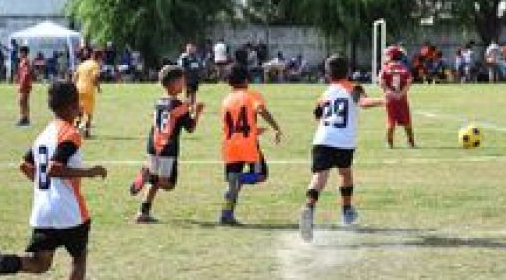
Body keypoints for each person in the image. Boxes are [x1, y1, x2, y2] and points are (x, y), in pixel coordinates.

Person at [0, 80, 109, 280]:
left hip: (43, 210)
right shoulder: (70, 133)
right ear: (71, 105)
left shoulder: (44, 133)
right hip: (69, 212)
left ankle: (0, 263)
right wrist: (90, 172)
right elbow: (56, 168)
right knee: (79, 259)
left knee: (40, 263)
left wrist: (43, 185)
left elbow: (25, 164)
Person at [298, 55, 385, 242]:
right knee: (345, 174)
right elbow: (362, 103)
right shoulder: (354, 88)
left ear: (328, 74)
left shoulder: (326, 92)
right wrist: (382, 100)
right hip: (343, 141)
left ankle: (309, 207)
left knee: (319, 177)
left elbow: (317, 114)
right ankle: (346, 210)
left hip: (322, 139)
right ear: (348, 71)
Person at [129, 66, 205, 223]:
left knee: (154, 182)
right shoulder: (177, 105)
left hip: (153, 144)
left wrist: (187, 106)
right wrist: (197, 112)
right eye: (182, 81)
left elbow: (174, 113)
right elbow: (190, 127)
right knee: (168, 183)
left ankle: (143, 212)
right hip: (167, 147)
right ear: (174, 83)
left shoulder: (159, 101)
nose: (184, 83)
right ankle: (148, 176)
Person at [218, 65, 283, 225]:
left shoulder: (226, 100)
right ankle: (239, 179)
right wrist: (276, 127)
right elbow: (260, 111)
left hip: (230, 145)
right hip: (248, 146)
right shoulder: (251, 95)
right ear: (246, 79)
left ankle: (226, 214)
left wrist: (254, 129)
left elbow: (233, 125)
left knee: (232, 185)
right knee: (260, 175)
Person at [379, 46, 415, 148]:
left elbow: (381, 81)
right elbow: (409, 81)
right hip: (402, 99)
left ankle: (389, 143)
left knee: (391, 122)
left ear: (391, 56)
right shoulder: (404, 68)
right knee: (407, 121)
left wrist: (388, 91)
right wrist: (401, 93)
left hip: (390, 99)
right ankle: (410, 142)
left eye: (386, 55)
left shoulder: (385, 68)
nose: (385, 57)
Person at [73, 50, 103, 138]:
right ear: (99, 57)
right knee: (89, 113)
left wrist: (73, 86)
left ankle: (75, 129)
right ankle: (86, 132)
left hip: (78, 89)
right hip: (88, 90)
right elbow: (95, 77)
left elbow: (75, 76)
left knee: (79, 111)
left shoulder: (83, 64)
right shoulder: (95, 65)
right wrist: (98, 87)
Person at [15, 46, 35, 126]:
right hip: (25, 84)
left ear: (23, 53)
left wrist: (22, 84)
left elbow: (26, 74)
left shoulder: (25, 61)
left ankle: (24, 118)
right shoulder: (23, 61)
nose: (19, 54)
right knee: (24, 102)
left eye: (20, 52)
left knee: (22, 101)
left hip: (25, 85)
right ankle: (25, 118)